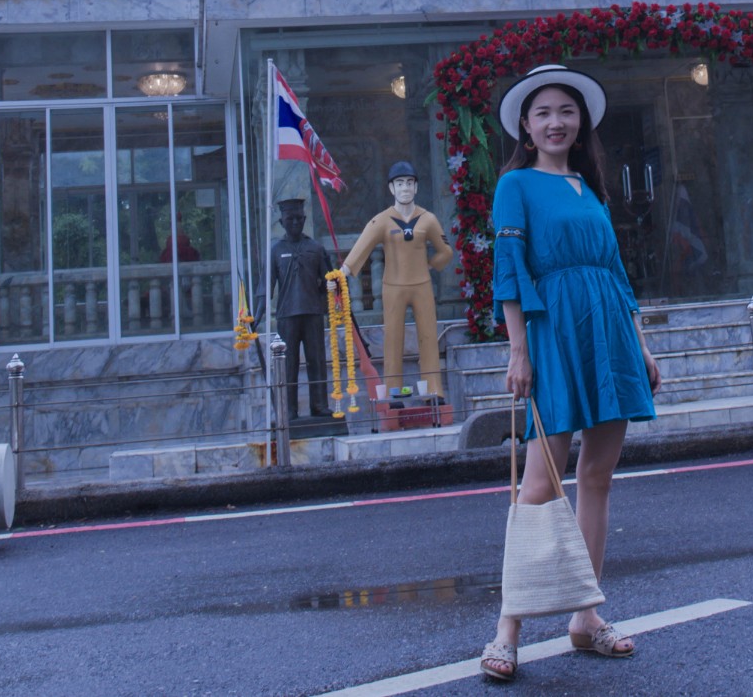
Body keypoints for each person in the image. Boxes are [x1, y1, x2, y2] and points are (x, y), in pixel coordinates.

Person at [481, 64, 660, 682]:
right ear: (526, 129)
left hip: (608, 332)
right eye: (543, 114)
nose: (556, 122)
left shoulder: (590, 188)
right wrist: (519, 350)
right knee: (537, 485)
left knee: (599, 478)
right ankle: (507, 628)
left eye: (566, 111)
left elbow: (615, 273)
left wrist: (640, 345)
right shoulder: (516, 186)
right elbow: (508, 270)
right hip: (553, 335)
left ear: (580, 122)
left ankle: (586, 617)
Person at [340, 162, 455, 400]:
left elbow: (446, 251)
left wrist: (431, 265)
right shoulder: (382, 221)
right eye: (400, 183)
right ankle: (393, 391)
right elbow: (362, 247)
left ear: (416, 187)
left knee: (428, 338)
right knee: (393, 340)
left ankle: (433, 387)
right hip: (393, 287)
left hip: (422, 285)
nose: (405, 188)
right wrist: (342, 273)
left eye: (410, 183)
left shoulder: (428, 219)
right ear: (391, 188)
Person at [269, 198, 332, 419]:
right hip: (287, 315)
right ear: (281, 221)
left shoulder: (316, 248)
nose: (295, 222)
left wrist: (334, 292)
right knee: (289, 364)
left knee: (317, 360)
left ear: (304, 219)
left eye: (298, 218)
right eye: (290, 218)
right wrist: (255, 315)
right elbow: (265, 287)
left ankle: (320, 404)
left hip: (313, 312)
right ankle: (289, 409)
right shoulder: (276, 251)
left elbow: (328, 283)